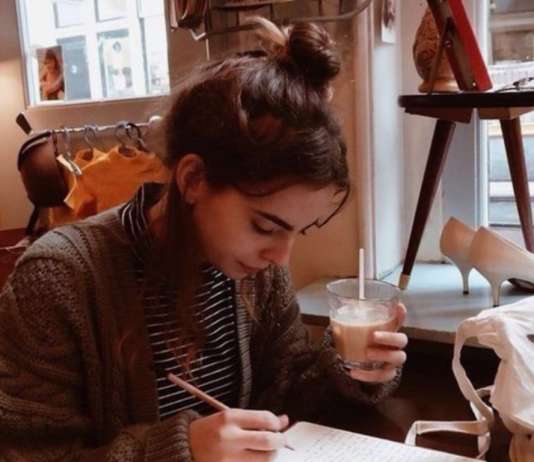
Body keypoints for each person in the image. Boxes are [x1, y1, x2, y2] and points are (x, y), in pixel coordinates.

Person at [0, 18, 407, 462]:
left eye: (297, 230)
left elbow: (286, 390)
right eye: (265, 226)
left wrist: (350, 370)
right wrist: (182, 450)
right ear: (193, 179)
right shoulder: (57, 280)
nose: (280, 256)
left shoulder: (255, 274)